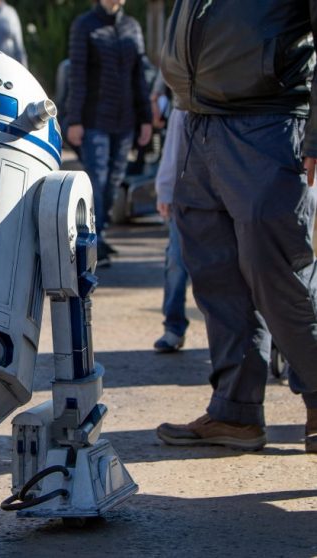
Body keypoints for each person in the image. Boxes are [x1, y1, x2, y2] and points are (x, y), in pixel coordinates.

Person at [155, 0, 317, 454]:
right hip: (198, 121)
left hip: (269, 123)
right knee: (217, 278)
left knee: (280, 273)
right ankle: (236, 412)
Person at [64, 0, 152, 267]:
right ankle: (91, 242)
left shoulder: (132, 27)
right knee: (97, 181)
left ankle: (99, 235)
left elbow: (140, 75)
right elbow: (76, 76)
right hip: (94, 120)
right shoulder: (84, 26)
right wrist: (75, 119)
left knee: (114, 183)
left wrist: (146, 118)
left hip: (125, 121)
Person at [153, 102, 190, 353]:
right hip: (187, 195)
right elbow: (173, 149)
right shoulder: (185, 100)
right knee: (176, 261)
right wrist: (165, 190)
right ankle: (174, 326)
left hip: (229, 194)